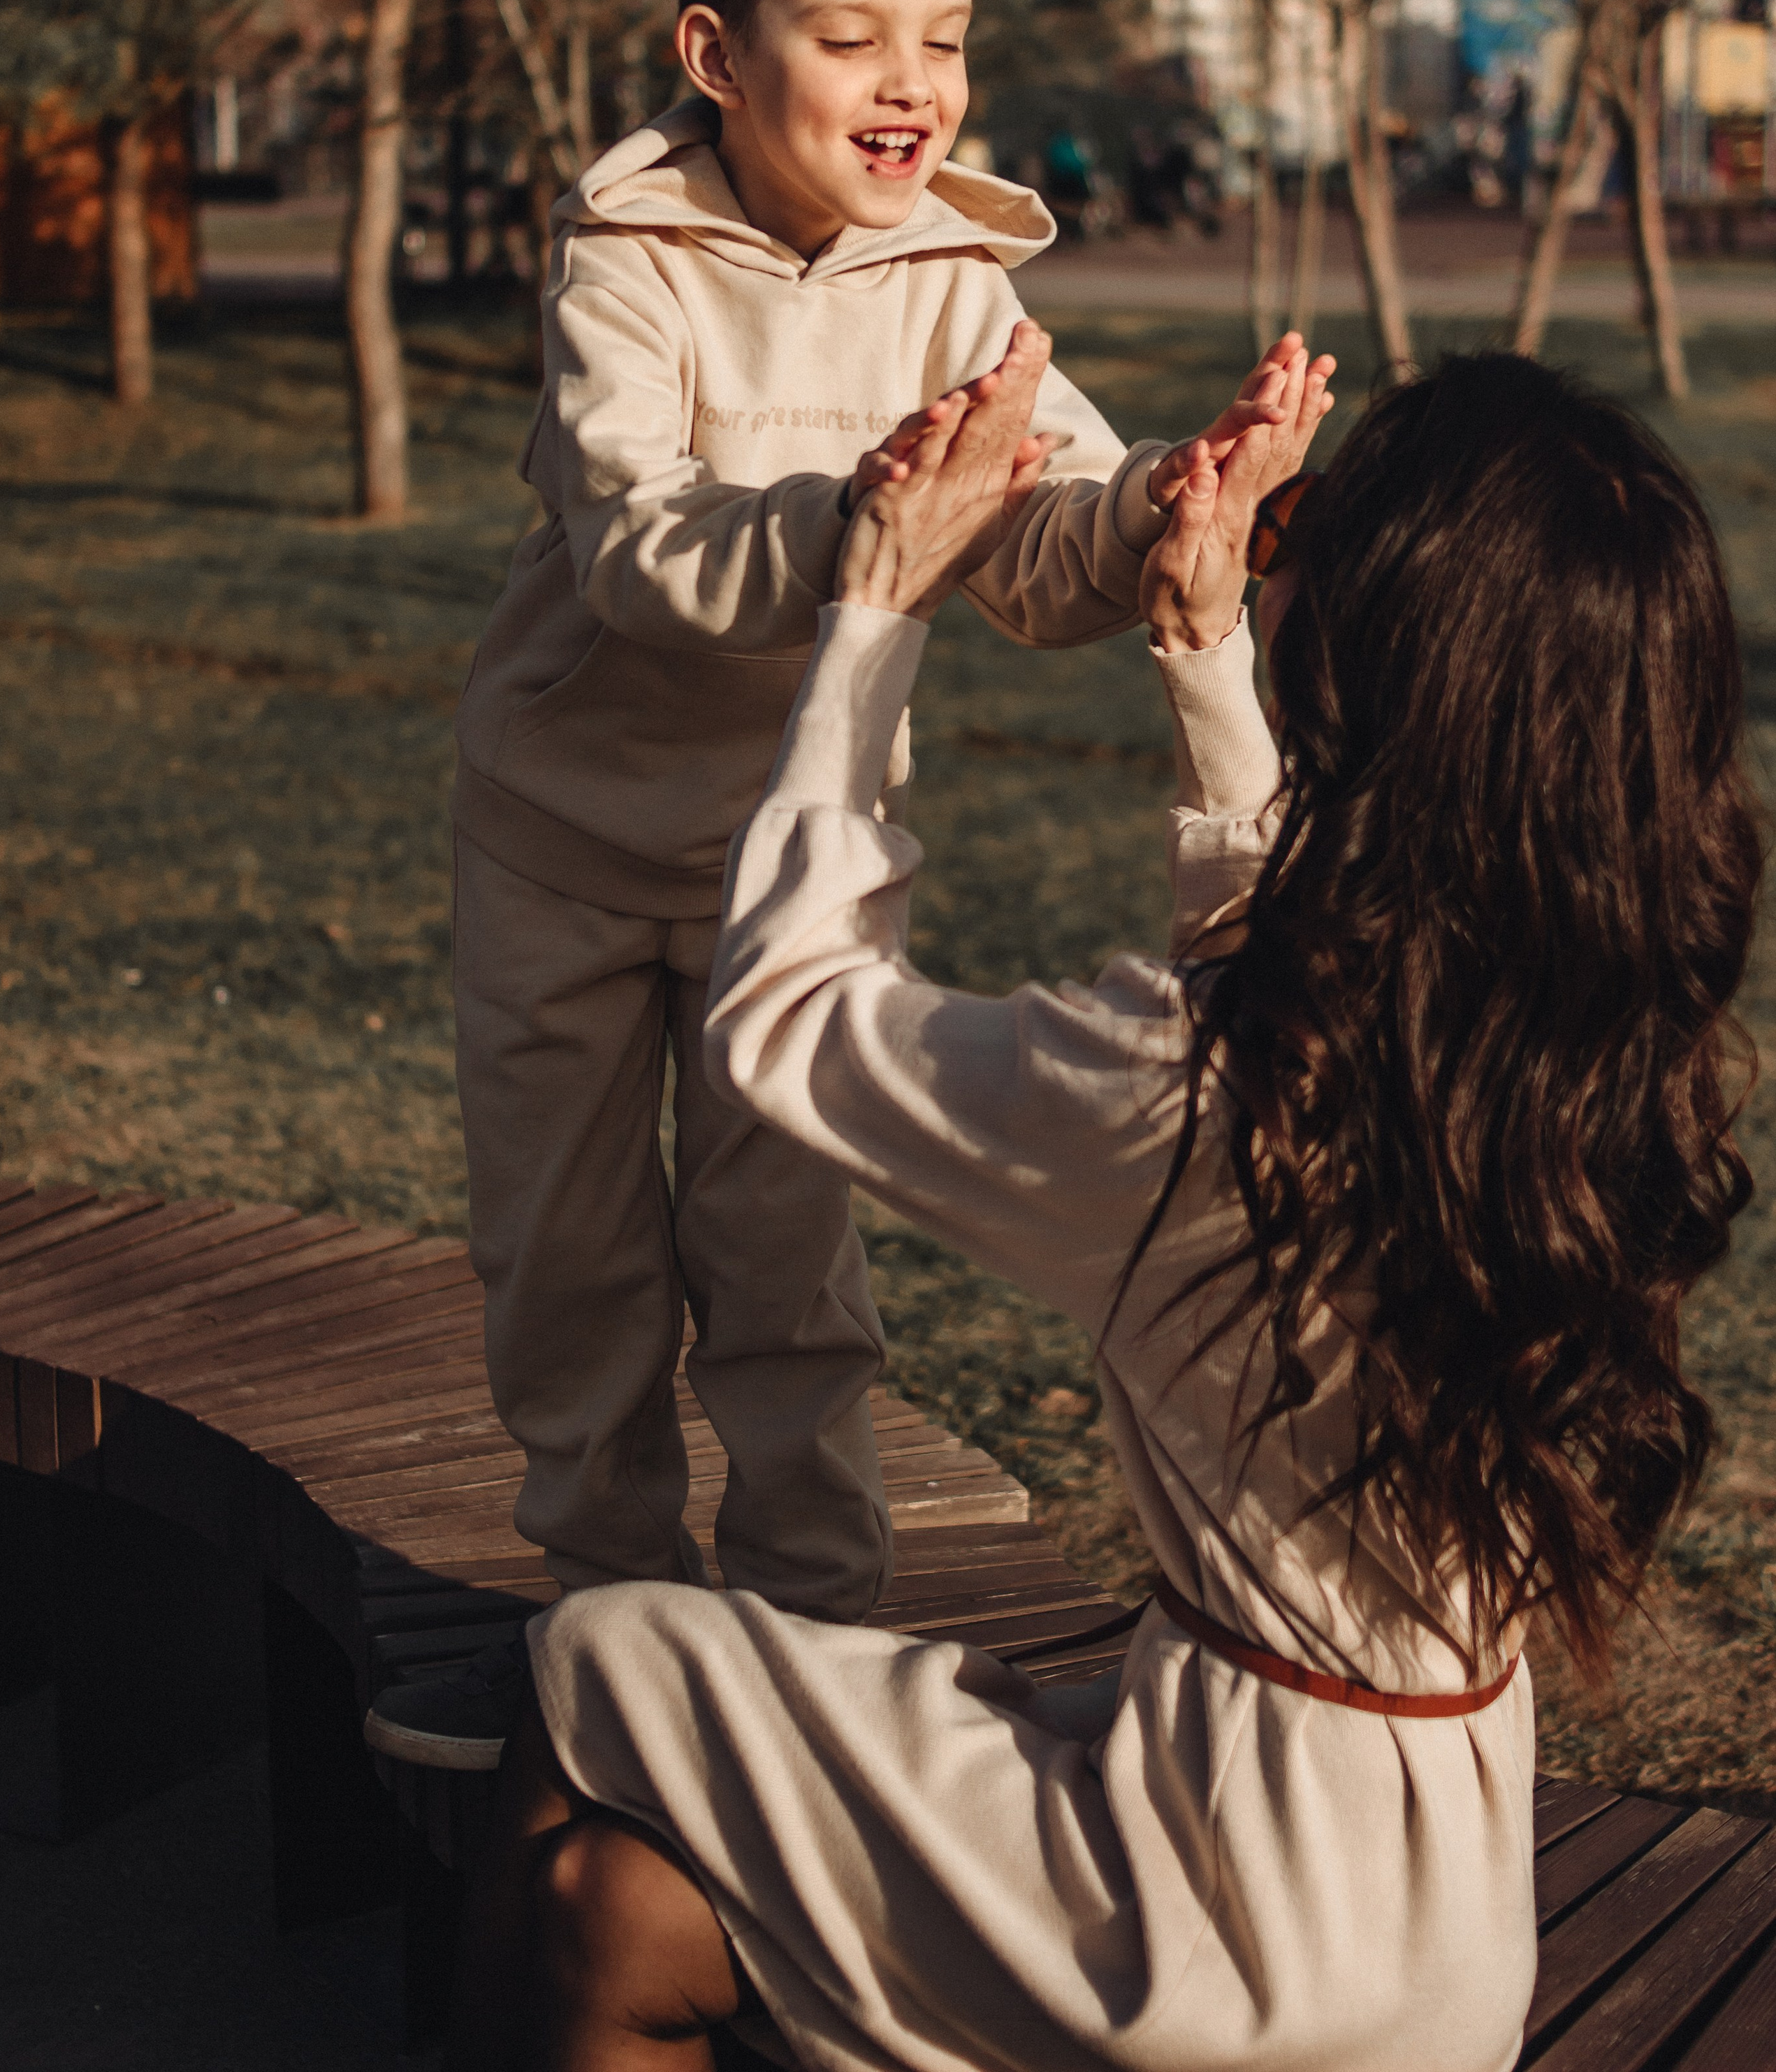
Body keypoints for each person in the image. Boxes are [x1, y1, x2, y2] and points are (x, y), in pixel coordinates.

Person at [444, 343, 1757, 2072]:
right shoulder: (1585, 1063)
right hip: (1424, 1927)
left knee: (598, 1658)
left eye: (1301, 534)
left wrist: (874, 613)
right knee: (618, 1911)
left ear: (1363, 651)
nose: (1272, 552)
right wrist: (1206, 647)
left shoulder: (1189, 1093)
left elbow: (785, 1029)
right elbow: (1309, 979)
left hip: (1203, 1930)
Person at [366, 0, 1311, 1769]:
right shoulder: (626, 260)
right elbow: (644, 551)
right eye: (857, 36)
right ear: (716, 57)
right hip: (557, 841)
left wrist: (1158, 501)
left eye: (946, 41)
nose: (914, 87)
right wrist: (875, 519)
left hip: (794, 870)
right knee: (572, 1267)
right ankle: (604, 1633)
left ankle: (810, 1644)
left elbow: (1036, 556)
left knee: (788, 1272)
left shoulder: (959, 279)